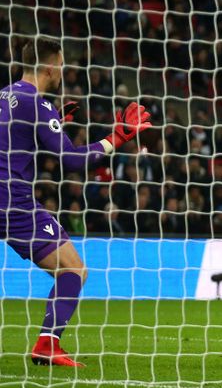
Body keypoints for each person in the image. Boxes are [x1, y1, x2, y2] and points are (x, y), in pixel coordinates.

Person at [0, 38, 152, 367]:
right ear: (51, 66)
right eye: (62, 63)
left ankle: (47, 344)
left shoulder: (6, 94)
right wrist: (117, 138)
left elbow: (14, 139)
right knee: (74, 270)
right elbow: (70, 160)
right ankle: (47, 344)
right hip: (11, 200)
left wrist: (55, 126)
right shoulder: (35, 103)